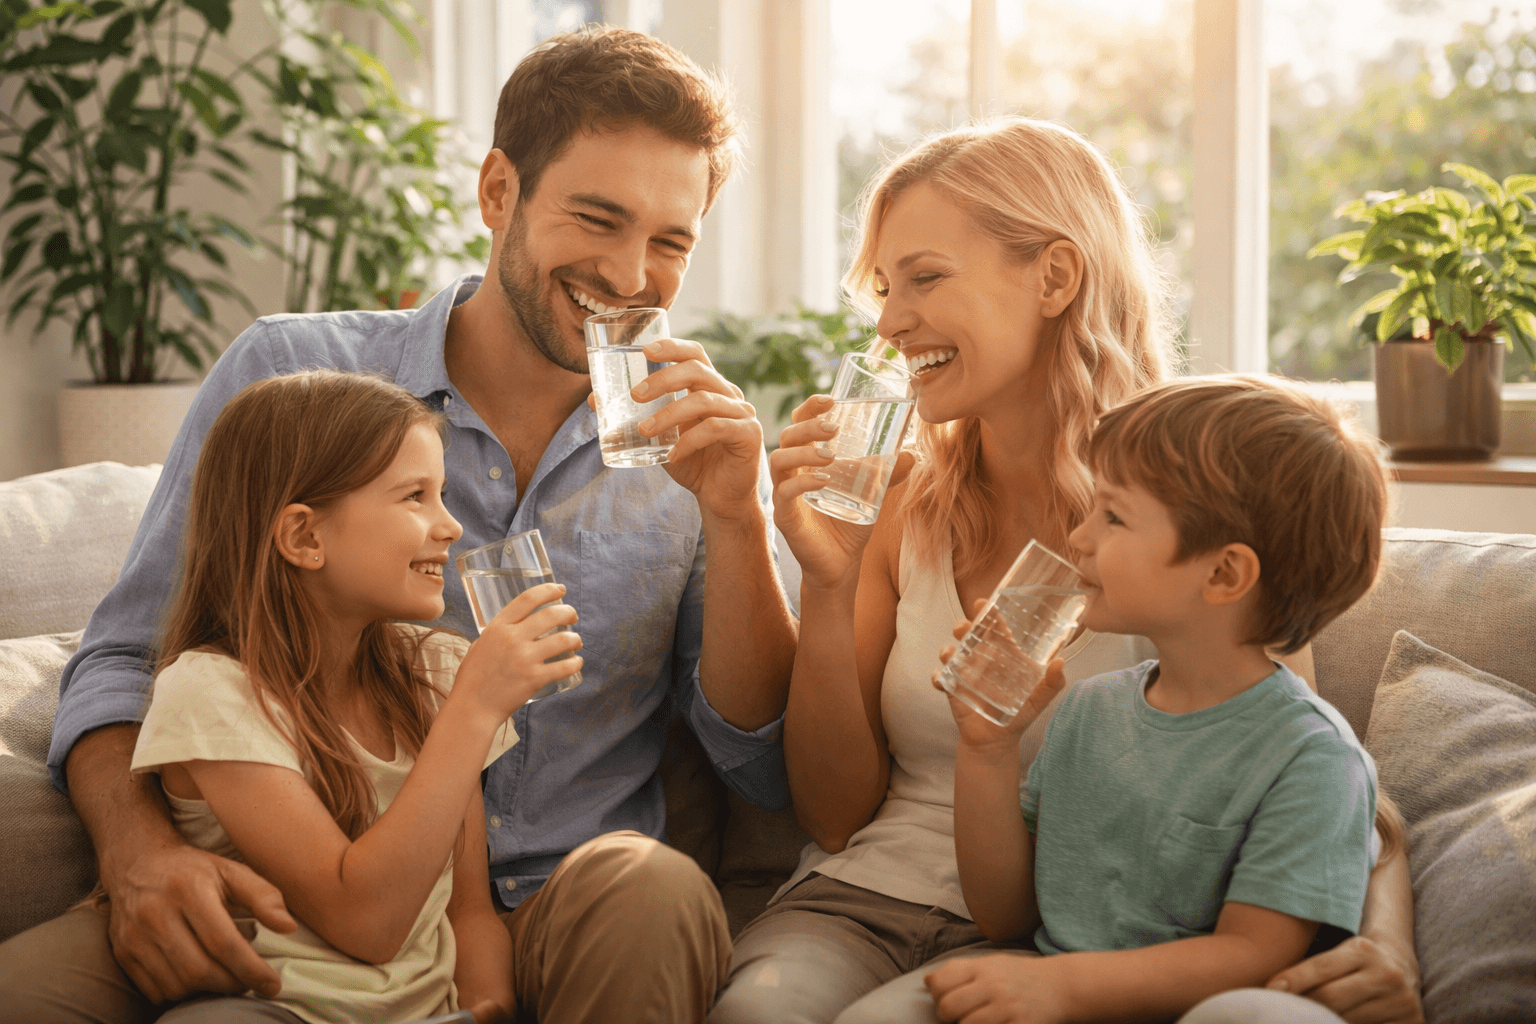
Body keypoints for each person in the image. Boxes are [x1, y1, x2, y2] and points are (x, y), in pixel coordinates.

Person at [0, 26, 796, 1024]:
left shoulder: (691, 442)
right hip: (282, 892)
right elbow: (126, 659)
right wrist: (139, 852)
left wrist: (737, 515)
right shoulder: (293, 375)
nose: (634, 276)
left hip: (560, 900)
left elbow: (753, 758)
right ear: (499, 191)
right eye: (598, 217)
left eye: (671, 240)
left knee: (654, 886)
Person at [709, 117, 1422, 1024]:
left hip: (1061, 936)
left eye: (925, 278)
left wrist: (1389, 943)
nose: (888, 324)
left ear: (1054, 276)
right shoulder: (892, 499)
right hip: (867, 900)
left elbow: (1305, 761)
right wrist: (828, 582)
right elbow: (834, 816)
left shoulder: (1195, 520)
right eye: (884, 289)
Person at [926, 375, 1398, 1024]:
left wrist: (1063, 988)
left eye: (1113, 516)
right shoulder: (1090, 710)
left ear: (1224, 573)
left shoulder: (1313, 760)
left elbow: (1253, 957)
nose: (1078, 537)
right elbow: (1004, 914)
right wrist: (987, 748)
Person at [129, 370, 564, 1023]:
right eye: (415, 496)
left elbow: (469, 911)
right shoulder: (210, 693)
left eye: (442, 494)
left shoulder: (436, 672)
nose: (450, 527)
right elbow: (365, 920)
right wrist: (474, 708)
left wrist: (486, 1006)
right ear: (305, 537)